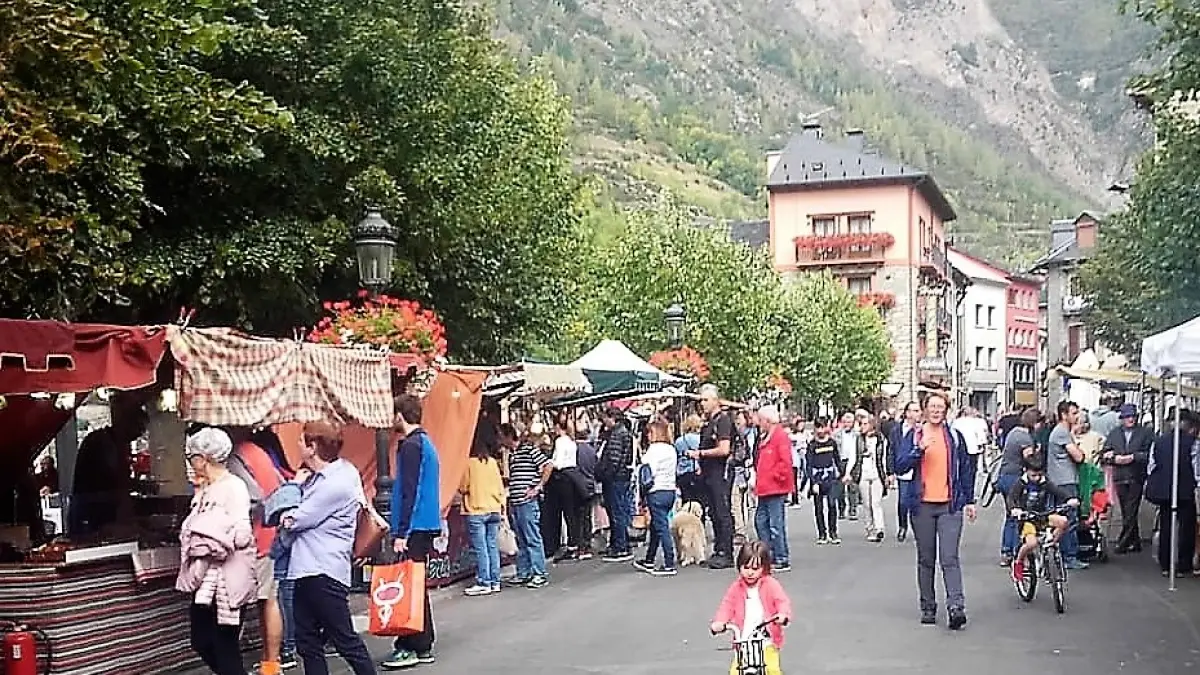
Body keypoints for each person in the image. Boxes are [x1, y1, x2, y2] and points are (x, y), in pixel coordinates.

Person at [282, 422, 375, 675]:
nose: (297, 444)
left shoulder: (334, 483)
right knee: (308, 642)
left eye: (301, 440)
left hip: (323, 570)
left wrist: (292, 487)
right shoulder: (339, 472)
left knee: (344, 639)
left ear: (312, 447)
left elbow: (293, 520)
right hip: (307, 568)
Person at [893, 392, 977, 630]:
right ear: (925, 410)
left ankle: (956, 607)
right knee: (926, 558)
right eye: (932, 407)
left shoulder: (954, 437)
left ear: (947, 410)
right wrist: (917, 450)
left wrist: (969, 500)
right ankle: (928, 606)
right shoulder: (915, 435)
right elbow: (899, 465)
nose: (937, 411)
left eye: (941, 407)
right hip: (922, 505)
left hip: (950, 505)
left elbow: (966, 469)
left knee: (949, 557)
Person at [177, 428, 256, 675]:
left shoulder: (234, 487)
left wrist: (211, 538)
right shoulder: (205, 489)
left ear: (204, 458)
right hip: (204, 580)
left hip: (227, 581)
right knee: (201, 640)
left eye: (192, 457)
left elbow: (242, 534)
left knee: (225, 646)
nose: (190, 463)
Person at [383, 395, 442, 670]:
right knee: (415, 585)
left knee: (410, 587)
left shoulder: (410, 446)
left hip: (414, 526)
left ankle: (414, 643)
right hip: (425, 522)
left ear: (400, 415)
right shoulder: (425, 443)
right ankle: (420, 642)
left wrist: (401, 532)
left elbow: (409, 490)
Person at [710, 541, 792, 675]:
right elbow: (727, 606)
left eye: (755, 568)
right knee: (736, 672)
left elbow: (782, 601)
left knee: (772, 670)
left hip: (766, 641)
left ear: (764, 568)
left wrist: (783, 615)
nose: (750, 572)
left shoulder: (770, 584)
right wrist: (720, 622)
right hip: (743, 642)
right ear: (739, 566)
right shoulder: (736, 587)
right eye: (746, 567)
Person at [70, 397, 148, 534]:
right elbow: (112, 479)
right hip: (90, 514)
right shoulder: (101, 442)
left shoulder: (116, 444)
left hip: (102, 512)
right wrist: (139, 485)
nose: (138, 435)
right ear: (127, 424)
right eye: (139, 428)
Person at [1005, 453, 1079, 582]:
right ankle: (1018, 562)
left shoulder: (1044, 482)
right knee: (1031, 543)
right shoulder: (1021, 483)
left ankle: (1051, 545)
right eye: (1033, 475)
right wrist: (1014, 509)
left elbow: (1058, 491)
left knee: (1063, 521)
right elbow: (1011, 498)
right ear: (1025, 471)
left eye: (1039, 474)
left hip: (1043, 515)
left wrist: (1070, 499)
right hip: (1027, 519)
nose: (1037, 478)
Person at [686, 384, 735, 568]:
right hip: (708, 473)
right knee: (713, 512)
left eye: (706, 400)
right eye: (701, 400)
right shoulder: (708, 422)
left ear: (715, 401)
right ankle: (718, 549)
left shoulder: (723, 421)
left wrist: (700, 454)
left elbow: (724, 449)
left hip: (720, 472)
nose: (702, 403)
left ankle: (727, 552)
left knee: (722, 512)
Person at [1145, 413, 1199, 577]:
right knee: (1186, 528)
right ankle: (1183, 564)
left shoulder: (1158, 441)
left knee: (1166, 526)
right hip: (1185, 490)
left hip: (1164, 490)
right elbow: (1196, 468)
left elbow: (1151, 466)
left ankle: (1165, 563)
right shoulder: (1193, 443)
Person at [499, 423, 552, 588]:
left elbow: (548, 465)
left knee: (532, 537)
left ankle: (539, 573)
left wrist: (538, 487)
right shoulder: (512, 455)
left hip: (527, 502)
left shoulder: (528, 450)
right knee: (521, 539)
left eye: (501, 436)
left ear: (508, 436)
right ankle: (524, 572)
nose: (499, 441)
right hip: (516, 502)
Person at [1102, 404, 1152, 554]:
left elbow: (1150, 453)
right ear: (1122, 418)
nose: (1131, 419)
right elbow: (1105, 452)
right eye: (1128, 416)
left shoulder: (1145, 433)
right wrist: (1112, 457)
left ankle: (1122, 543)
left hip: (1136, 475)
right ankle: (1135, 541)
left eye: (1133, 416)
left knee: (1131, 509)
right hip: (1120, 476)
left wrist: (1133, 457)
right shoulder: (1114, 433)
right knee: (1126, 510)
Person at [459, 435, 506, 596]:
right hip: (494, 508)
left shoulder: (468, 464)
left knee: (481, 548)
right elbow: (499, 486)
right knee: (492, 545)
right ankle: (495, 581)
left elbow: (463, 487)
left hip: (477, 509)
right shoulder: (492, 462)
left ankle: (484, 582)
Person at [1046, 401, 1089, 570]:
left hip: (1059, 480)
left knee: (1064, 517)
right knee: (1070, 519)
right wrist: (1081, 452)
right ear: (1064, 415)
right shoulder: (1062, 433)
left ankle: (1064, 554)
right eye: (1074, 413)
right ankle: (1069, 556)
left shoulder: (1061, 432)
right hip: (1065, 481)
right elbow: (1079, 457)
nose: (1077, 416)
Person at [634, 416, 678, 576]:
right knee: (656, 526)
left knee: (662, 527)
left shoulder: (653, 450)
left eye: (649, 432)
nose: (647, 435)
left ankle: (669, 563)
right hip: (670, 490)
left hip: (656, 491)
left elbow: (647, 472)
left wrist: (641, 496)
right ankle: (649, 559)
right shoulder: (671, 449)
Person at [995, 408, 1041, 566]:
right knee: (1019, 515)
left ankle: (1006, 552)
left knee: (1011, 515)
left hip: (1004, 476)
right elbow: (1029, 459)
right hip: (1014, 478)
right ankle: (1017, 552)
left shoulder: (1014, 432)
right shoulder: (1024, 437)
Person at [753, 405, 794, 570]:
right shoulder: (767, 436)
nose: (758, 423)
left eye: (761, 420)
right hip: (765, 487)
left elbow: (785, 462)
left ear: (767, 420)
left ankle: (781, 557)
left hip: (775, 487)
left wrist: (774, 476)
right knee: (761, 521)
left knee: (775, 524)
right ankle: (769, 554)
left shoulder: (779, 437)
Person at [597, 406, 635, 563]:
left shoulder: (617, 435)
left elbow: (614, 459)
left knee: (616, 512)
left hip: (615, 479)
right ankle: (621, 543)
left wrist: (605, 474)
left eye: (605, 418)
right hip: (621, 477)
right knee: (618, 511)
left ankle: (620, 547)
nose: (604, 422)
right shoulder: (623, 433)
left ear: (612, 418)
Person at [805, 417, 843, 545]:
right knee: (819, 507)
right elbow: (809, 465)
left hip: (830, 478)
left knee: (832, 504)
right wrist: (813, 482)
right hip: (818, 478)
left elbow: (837, 459)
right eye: (818, 427)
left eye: (823, 427)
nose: (821, 430)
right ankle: (822, 533)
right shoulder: (812, 445)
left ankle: (833, 532)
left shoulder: (832, 443)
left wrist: (842, 474)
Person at [888, 401, 921, 542]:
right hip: (902, 470)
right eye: (914, 410)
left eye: (918, 410)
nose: (917, 413)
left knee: (916, 502)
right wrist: (890, 472)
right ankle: (902, 526)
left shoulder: (921, 430)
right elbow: (891, 451)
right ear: (907, 413)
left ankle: (918, 529)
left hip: (918, 471)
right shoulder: (897, 430)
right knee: (903, 501)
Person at [855, 414, 890, 543]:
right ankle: (869, 528)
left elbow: (885, 457)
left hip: (877, 473)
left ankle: (879, 528)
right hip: (863, 473)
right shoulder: (859, 440)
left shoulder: (881, 439)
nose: (862, 427)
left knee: (876, 503)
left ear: (872, 425)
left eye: (865, 424)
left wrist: (887, 474)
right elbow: (854, 457)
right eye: (861, 424)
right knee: (867, 504)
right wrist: (848, 473)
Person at [674, 414, 705, 506]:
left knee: (686, 502)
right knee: (700, 501)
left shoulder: (679, 441)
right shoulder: (701, 439)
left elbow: (677, 458)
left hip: (683, 474)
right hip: (698, 473)